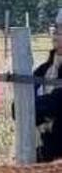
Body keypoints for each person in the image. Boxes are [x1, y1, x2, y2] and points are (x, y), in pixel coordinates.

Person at [33, 9, 62, 162]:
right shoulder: (43, 71)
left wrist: (37, 109)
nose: (56, 34)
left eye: (61, 29)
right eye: (56, 28)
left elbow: (57, 102)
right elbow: (18, 109)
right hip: (42, 156)